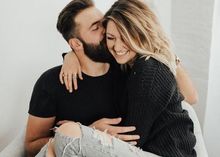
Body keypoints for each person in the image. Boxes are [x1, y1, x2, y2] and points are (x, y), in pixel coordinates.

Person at [42, 0, 197, 156]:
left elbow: (133, 138)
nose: (117, 47)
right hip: (148, 149)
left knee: (65, 134)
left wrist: (87, 130)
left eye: (125, 37)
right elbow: (88, 54)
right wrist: (71, 56)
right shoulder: (124, 64)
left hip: (166, 153)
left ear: (139, 32)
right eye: (109, 37)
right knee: (60, 139)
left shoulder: (148, 69)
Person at [24, 0, 141, 156]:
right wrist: (88, 133)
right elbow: (31, 146)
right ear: (76, 44)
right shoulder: (50, 83)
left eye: (104, 22)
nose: (106, 30)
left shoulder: (127, 66)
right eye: (96, 27)